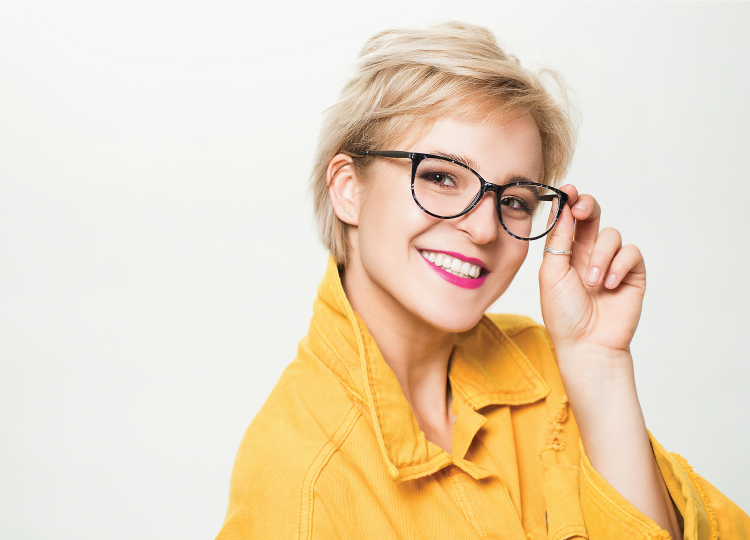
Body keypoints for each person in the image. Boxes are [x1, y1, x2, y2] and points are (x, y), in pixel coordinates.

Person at [215, 21, 749, 540]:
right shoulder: (300, 479)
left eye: (514, 201)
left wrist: (599, 363)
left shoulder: (544, 366)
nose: (484, 228)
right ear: (348, 189)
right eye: (441, 177)